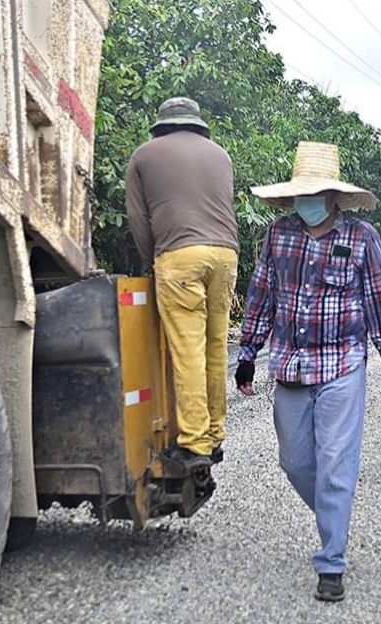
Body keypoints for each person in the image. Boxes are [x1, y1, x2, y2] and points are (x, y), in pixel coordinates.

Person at [236, 141, 381, 603]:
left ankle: (331, 561)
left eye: (315, 193)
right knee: (294, 461)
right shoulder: (278, 235)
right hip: (290, 364)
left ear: (334, 196)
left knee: (334, 464)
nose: (306, 201)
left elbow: (379, 301)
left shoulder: (362, 238)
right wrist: (248, 352)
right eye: (301, 193)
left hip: (342, 364)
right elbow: (262, 294)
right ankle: (336, 516)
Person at [125, 97, 239, 471]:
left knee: (188, 349)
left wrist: (151, 262)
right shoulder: (221, 155)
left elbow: (138, 220)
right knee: (215, 346)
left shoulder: (143, 155)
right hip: (226, 255)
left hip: (180, 255)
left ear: (161, 126)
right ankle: (215, 434)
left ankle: (194, 442)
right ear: (196, 124)